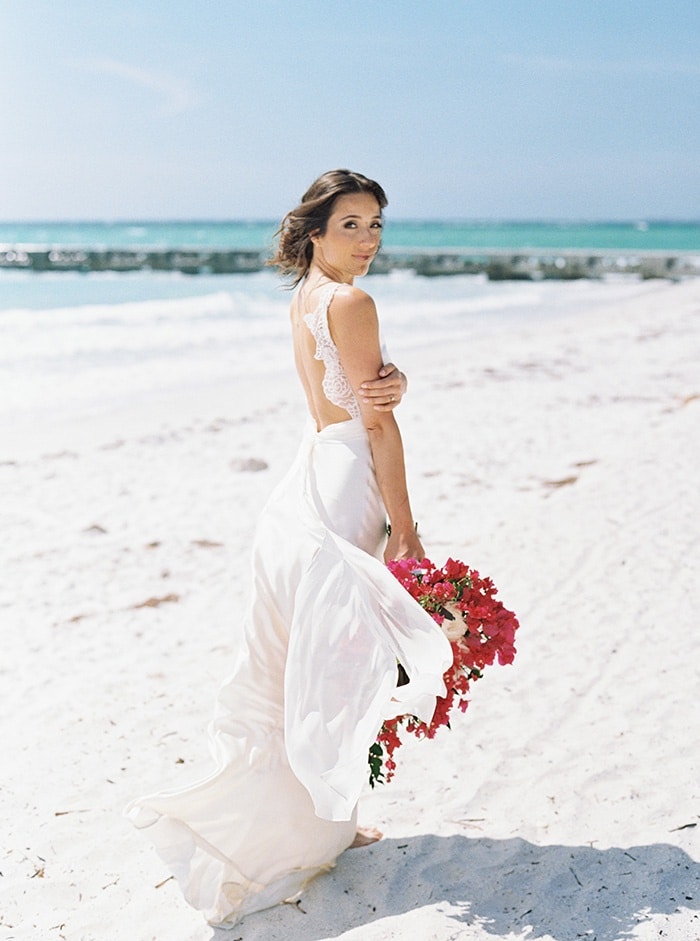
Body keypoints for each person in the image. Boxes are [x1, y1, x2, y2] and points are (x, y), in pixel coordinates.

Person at [126, 169, 452, 928]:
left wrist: (386, 382)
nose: (368, 240)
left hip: (307, 469)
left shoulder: (307, 295)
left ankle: (324, 823)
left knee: (301, 659)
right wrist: (405, 524)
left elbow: (341, 397)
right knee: (338, 660)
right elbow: (375, 423)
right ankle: (310, 827)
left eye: (376, 225)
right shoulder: (353, 300)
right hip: (347, 477)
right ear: (314, 231)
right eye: (351, 225)